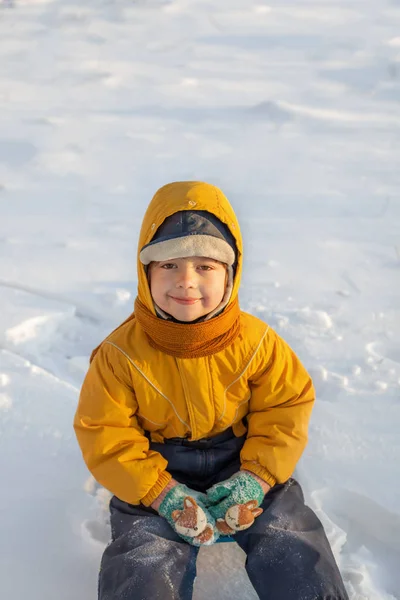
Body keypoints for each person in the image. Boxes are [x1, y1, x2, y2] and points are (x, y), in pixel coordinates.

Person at [74, 181, 349, 600]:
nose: (186, 282)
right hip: (156, 467)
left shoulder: (257, 342)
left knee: (288, 534)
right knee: (142, 555)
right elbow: (104, 432)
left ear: (231, 274)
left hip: (239, 457)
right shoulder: (119, 354)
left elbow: (285, 408)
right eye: (168, 265)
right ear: (144, 271)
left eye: (205, 266)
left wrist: (256, 478)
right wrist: (158, 492)